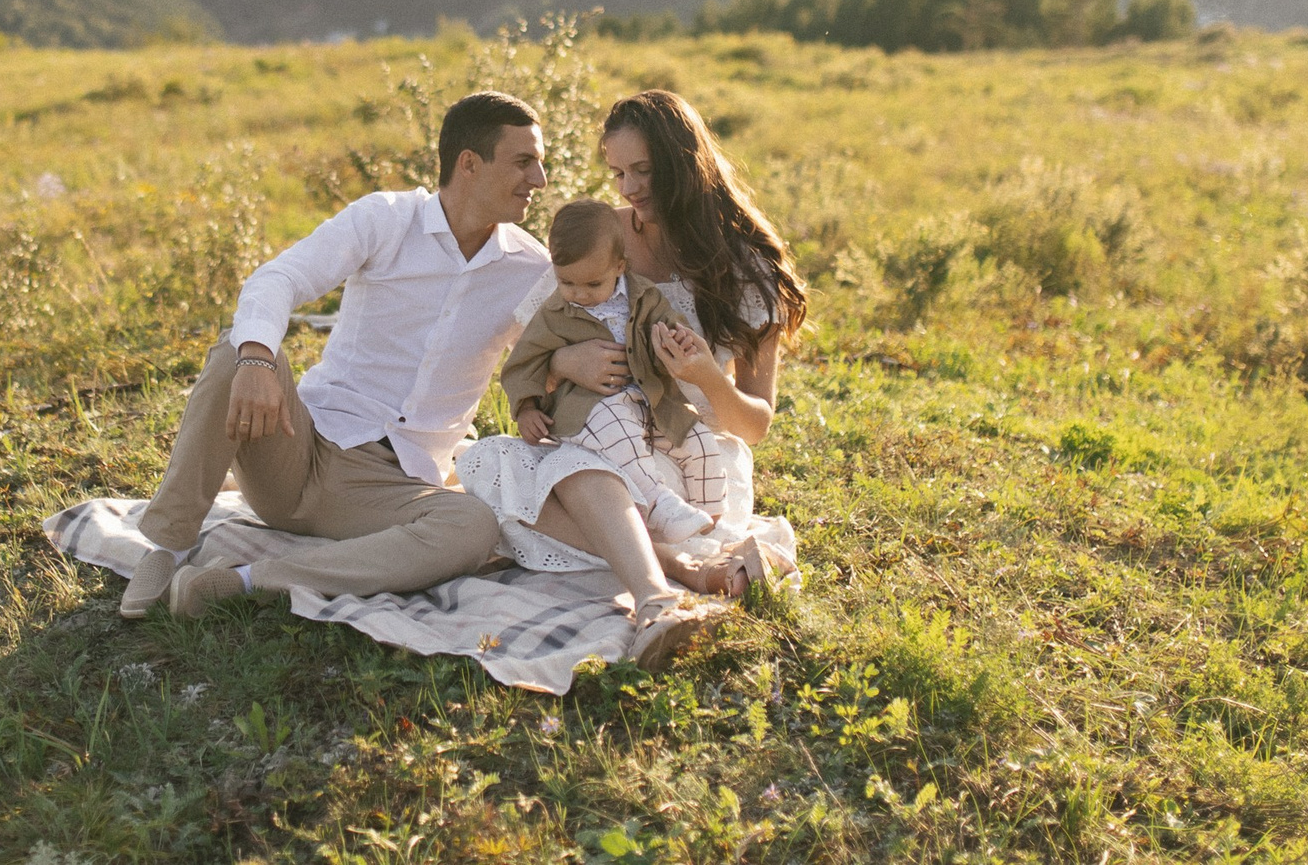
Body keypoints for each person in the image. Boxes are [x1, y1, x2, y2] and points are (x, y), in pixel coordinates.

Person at [123, 91, 554, 620]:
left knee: (471, 527)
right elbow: (278, 278)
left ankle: (242, 583)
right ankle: (165, 548)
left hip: (390, 490)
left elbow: (553, 356)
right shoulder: (386, 219)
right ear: (469, 163)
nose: (540, 179)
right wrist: (258, 360)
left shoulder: (531, 270)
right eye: (524, 161)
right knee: (236, 351)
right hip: (299, 450)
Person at [457, 89, 807, 605]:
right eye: (619, 174)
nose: (631, 188)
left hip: (694, 451)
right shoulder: (606, 237)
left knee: (583, 489)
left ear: (685, 165)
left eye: (644, 170)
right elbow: (540, 339)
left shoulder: (744, 266)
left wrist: (706, 375)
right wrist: (563, 362)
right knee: (489, 461)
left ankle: (652, 551)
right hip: (603, 440)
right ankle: (672, 564)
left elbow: (754, 426)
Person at [502, 199, 731, 546]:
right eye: (567, 283)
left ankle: (711, 523)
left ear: (619, 267)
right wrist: (527, 408)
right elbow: (524, 361)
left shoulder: (644, 298)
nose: (580, 295)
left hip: (652, 403)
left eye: (593, 285)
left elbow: (672, 324)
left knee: (698, 440)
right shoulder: (554, 312)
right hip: (590, 410)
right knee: (619, 433)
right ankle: (659, 504)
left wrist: (676, 340)